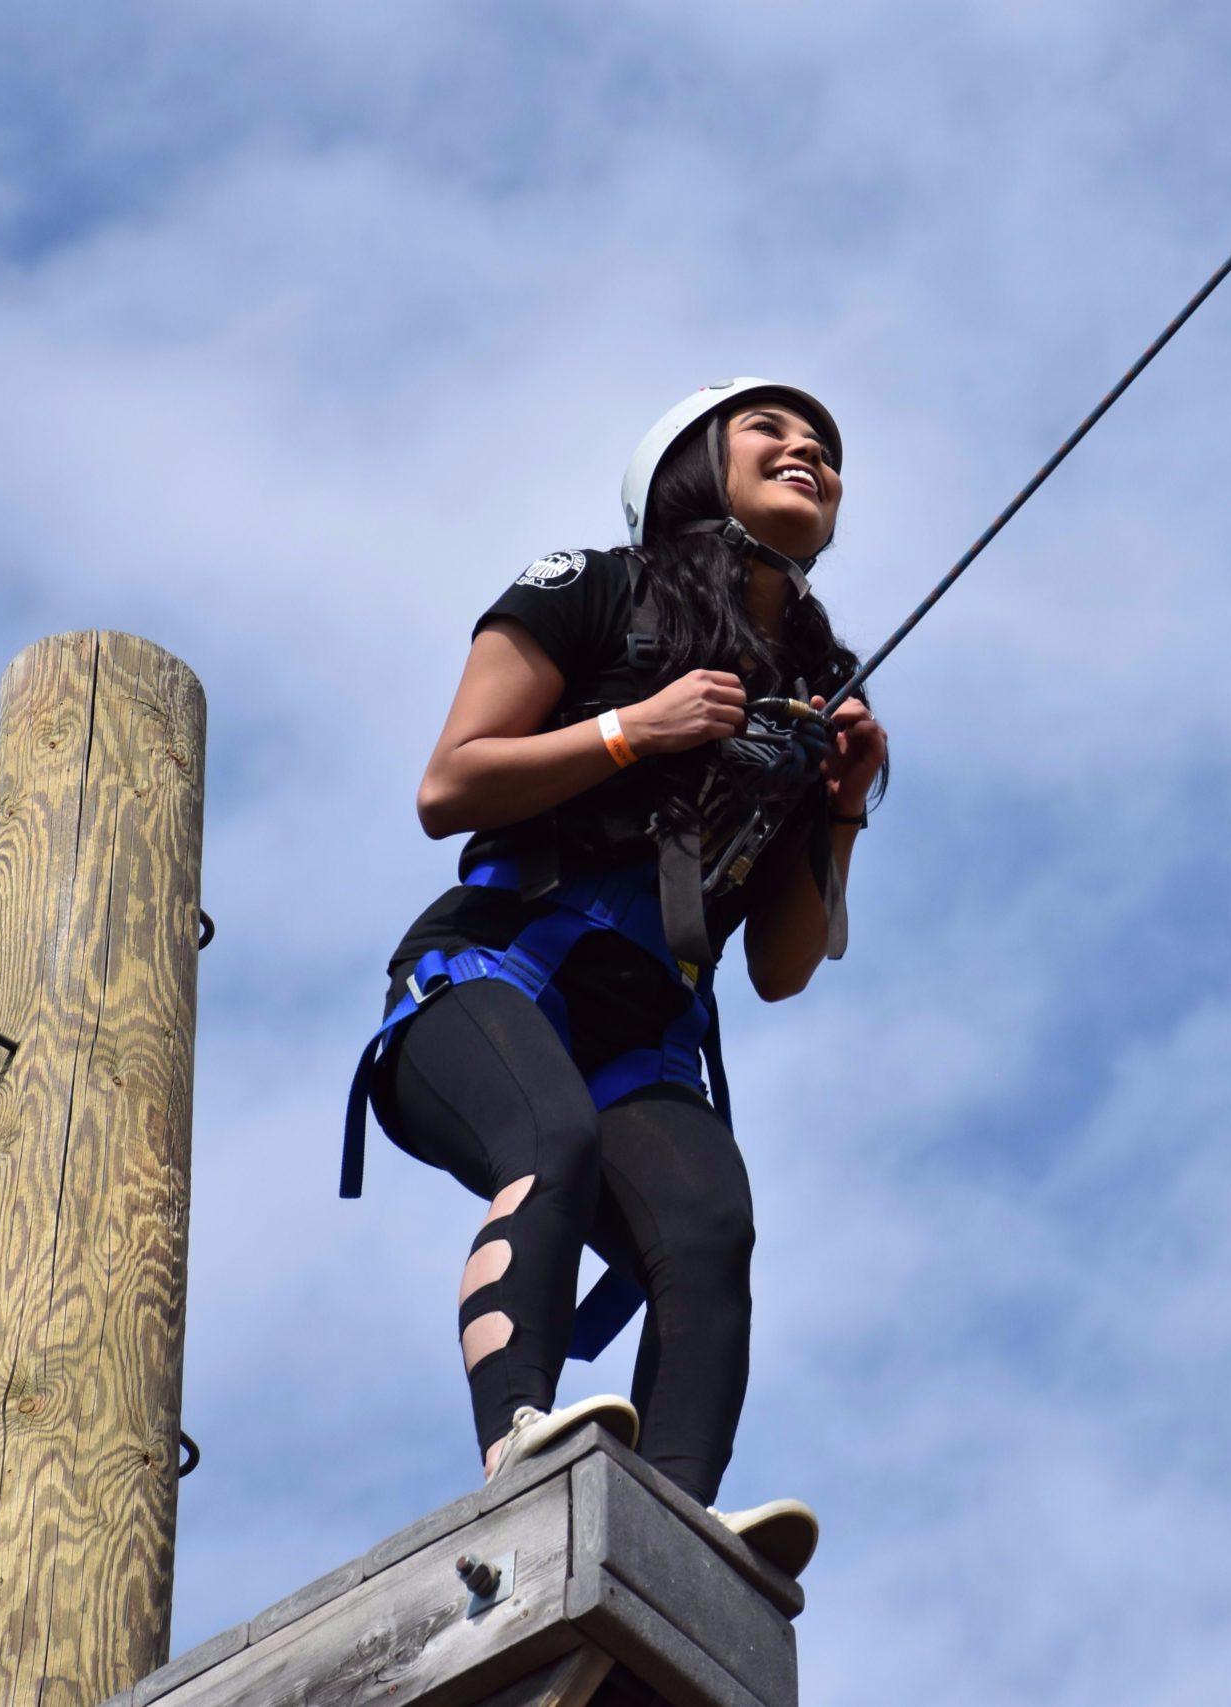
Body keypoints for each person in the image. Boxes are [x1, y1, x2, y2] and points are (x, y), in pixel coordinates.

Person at [342, 380, 885, 1577]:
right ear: (694, 466)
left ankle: (675, 1527)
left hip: (644, 1031)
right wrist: (635, 730)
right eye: (772, 433)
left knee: (708, 1229)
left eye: (825, 448)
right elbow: (450, 787)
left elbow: (784, 969)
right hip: (489, 972)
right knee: (552, 1135)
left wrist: (837, 808)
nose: (808, 453)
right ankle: (520, 1449)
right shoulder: (592, 590)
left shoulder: (806, 697)